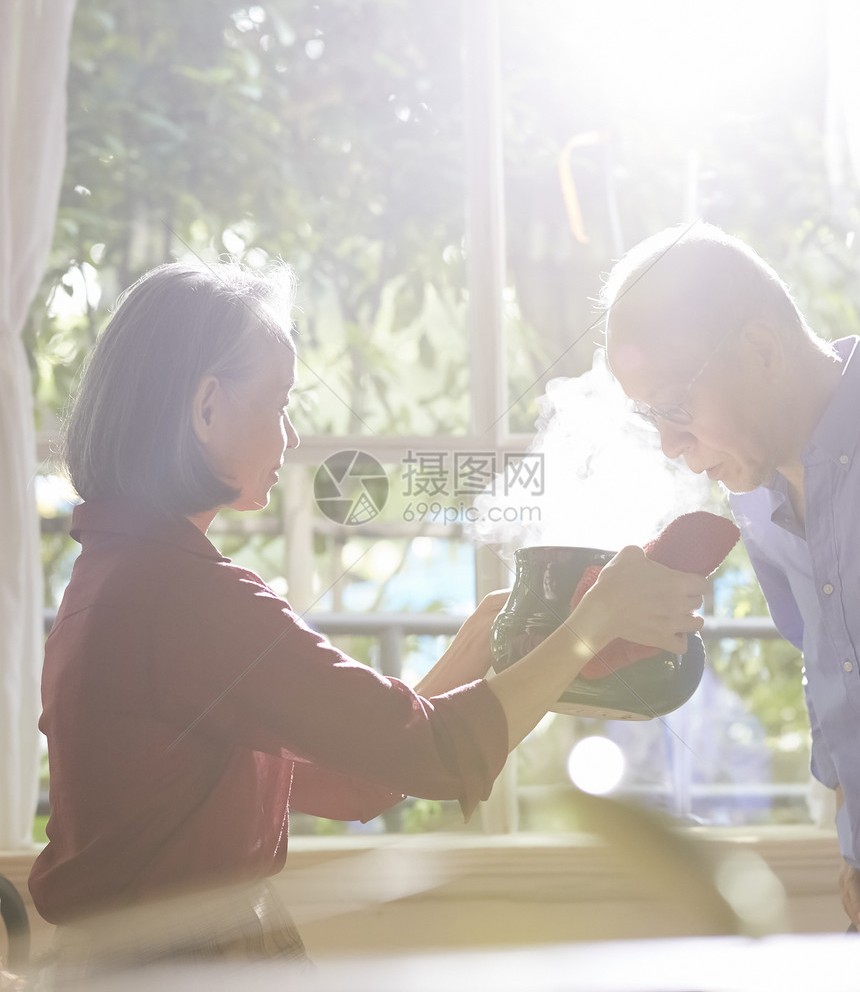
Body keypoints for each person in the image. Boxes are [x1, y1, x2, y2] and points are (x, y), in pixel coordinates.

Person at [29, 259, 707, 977]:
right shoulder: (184, 599)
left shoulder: (125, 574)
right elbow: (434, 753)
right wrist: (590, 624)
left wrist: (484, 639)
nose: (290, 437)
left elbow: (360, 778)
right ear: (206, 407)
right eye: (280, 402)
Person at [602, 221, 860, 928]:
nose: (669, 446)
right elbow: (829, 661)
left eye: (676, 410)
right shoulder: (752, 494)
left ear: (761, 349)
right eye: (649, 420)